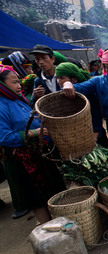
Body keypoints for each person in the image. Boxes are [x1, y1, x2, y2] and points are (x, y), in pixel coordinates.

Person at [0, 66, 66, 223]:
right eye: (14, 82)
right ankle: (49, 227)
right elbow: (4, 138)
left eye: (19, 82)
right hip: (25, 162)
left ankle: (62, 223)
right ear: (2, 85)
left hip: (39, 155)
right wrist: (36, 133)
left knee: (53, 190)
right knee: (38, 197)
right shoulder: (2, 106)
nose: (19, 86)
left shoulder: (18, 100)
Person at [55, 62, 108, 146]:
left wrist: (92, 142)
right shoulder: (61, 96)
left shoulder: (88, 96)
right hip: (75, 140)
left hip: (93, 138)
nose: (58, 81)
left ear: (74, 80)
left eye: (62, 78)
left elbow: (96, 121)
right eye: (57, 78)